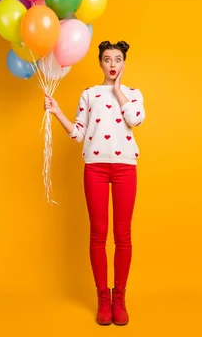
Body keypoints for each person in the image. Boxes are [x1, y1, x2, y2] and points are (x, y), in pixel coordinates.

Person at [44, 40, 145, 326]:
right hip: (95, 169)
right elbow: (78, 133)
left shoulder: (133, 94)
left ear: (124, 63)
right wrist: (57, 111)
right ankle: (103, 297)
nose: (112, 65)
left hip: (126, 168)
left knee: (123, 235)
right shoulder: (89, 94)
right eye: (107, 59)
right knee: (98, 234)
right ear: (99, 63)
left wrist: (118, 92)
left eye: (117, 59)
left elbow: (136, 119)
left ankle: (120, 297)